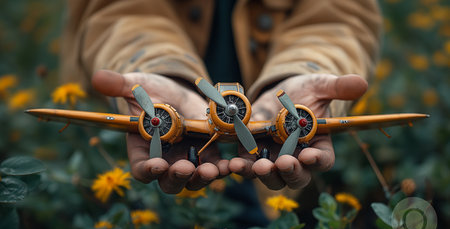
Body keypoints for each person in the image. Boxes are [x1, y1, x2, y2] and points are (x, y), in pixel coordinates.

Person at [61, 0, 381, 216]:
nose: (229, 108)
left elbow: (339, 14)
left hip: (266, 159)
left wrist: (298, 96)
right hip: (178, 127)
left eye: (232, 106)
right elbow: (118, 10)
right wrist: (161, 101)